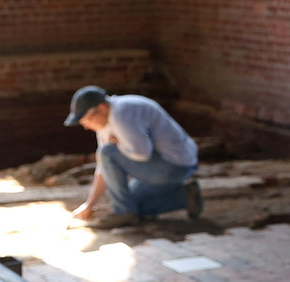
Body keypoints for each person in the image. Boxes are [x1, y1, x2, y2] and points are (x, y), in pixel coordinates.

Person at [65, 86, 203, 228]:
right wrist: (90, 204)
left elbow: (141, 153)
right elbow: (104, 167)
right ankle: (186, 197)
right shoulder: (105, 123)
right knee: (132, 203)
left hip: (174, 165)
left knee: (108, 154)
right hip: (164, 165)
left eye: (87, 120)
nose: (86, 127)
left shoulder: (122, 113)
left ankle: (123, 212)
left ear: (101, 107)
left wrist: (118, 145)